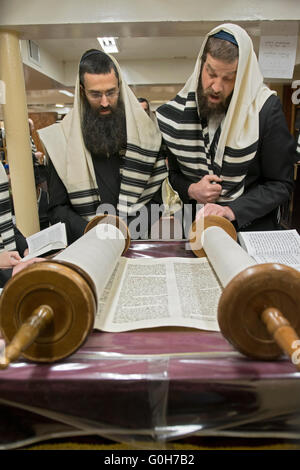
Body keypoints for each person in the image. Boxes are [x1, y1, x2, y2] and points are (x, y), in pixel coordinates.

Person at [156, 24, 296, 233]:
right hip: (195, 228)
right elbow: (174, 174)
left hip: (248, 229)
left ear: (241, 77)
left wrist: (231, 210)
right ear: (200, 65)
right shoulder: (178, 114)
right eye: (211, 73)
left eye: (228, 78)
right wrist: (192, 189)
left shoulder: (264, 110)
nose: (216, 87)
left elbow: (280, 184)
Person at [38, 50, 167, 242]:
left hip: (136, 239)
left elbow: (156, 200)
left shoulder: (146, 136)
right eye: (95, 94)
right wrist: (94, 232)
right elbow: (57, 209)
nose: (105, 102)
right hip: (86, 243)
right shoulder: (61, 140)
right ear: (82, 91)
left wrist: (125, 231)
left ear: (120, 88)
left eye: (111, 92)